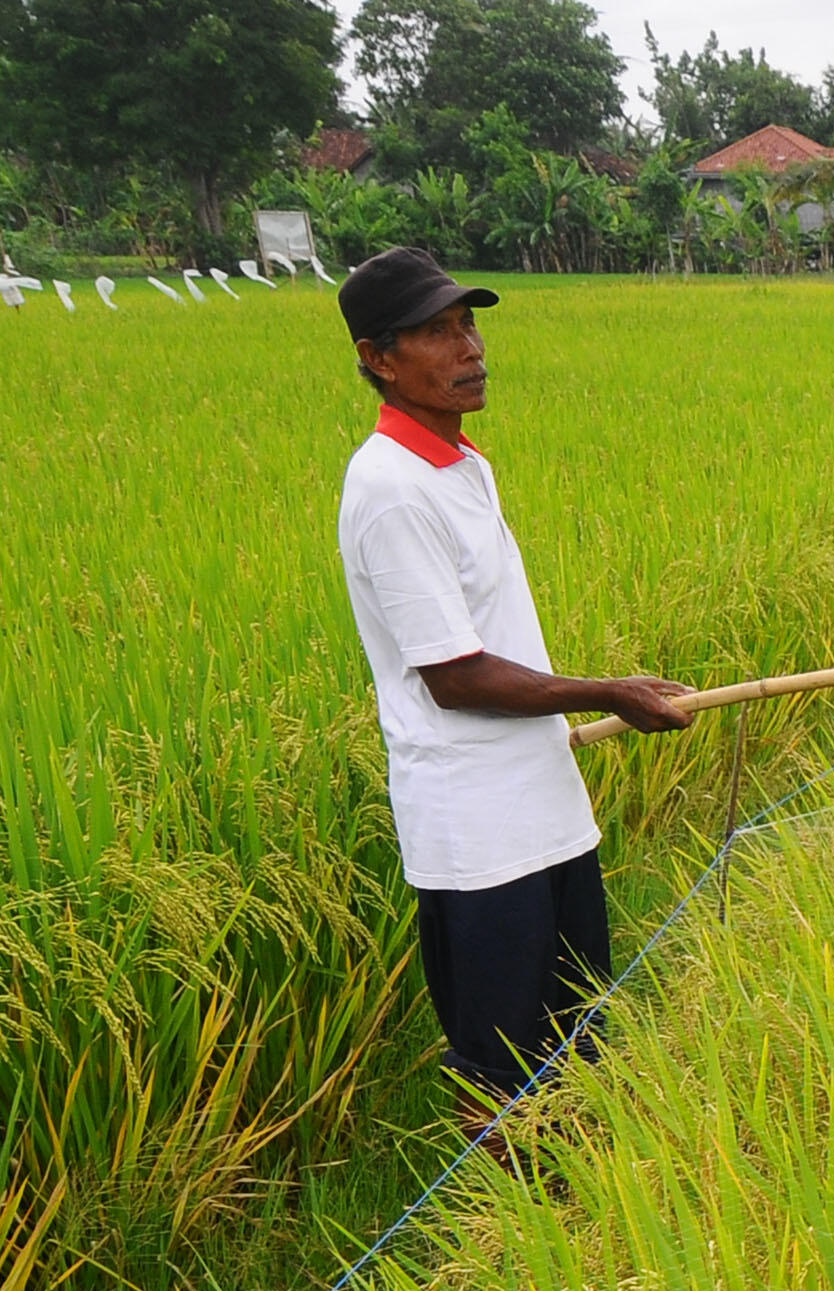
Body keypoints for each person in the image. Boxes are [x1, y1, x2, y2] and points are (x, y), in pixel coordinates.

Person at [335, 245, 695, 1129]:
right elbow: (454, 675)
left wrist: (588, 702)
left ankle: (579, 1205)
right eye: (436, 333)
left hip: (543, 805)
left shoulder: (463, 466)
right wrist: (609, 691)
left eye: (469, 325)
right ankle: (503, 1235)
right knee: (498, 1063)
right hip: (476, 831)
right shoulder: (390, 489)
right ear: (379, 359)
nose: (469, 349)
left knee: (577, 1027)